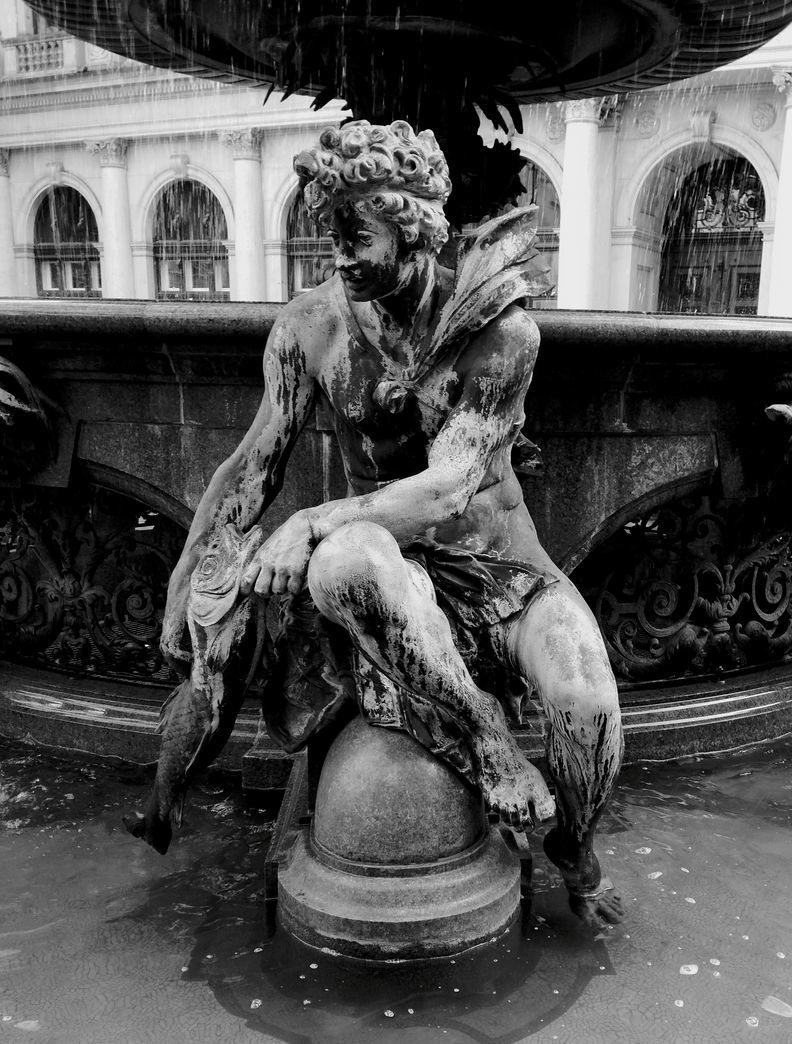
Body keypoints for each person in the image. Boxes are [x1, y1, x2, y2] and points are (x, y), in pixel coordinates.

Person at [160, 119, 624, 929]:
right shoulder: (311, 329)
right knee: (346, 561)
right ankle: (486, 741)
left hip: (505, 572)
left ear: (413, 228)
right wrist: (188, 572)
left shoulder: (500, 328)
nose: (337, 252)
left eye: (354, 233)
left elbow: (449, 488)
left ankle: (575, 849)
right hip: (389, 578)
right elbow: (253, 464)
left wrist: (310, 520)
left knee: (589, 707)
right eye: (329, 231)